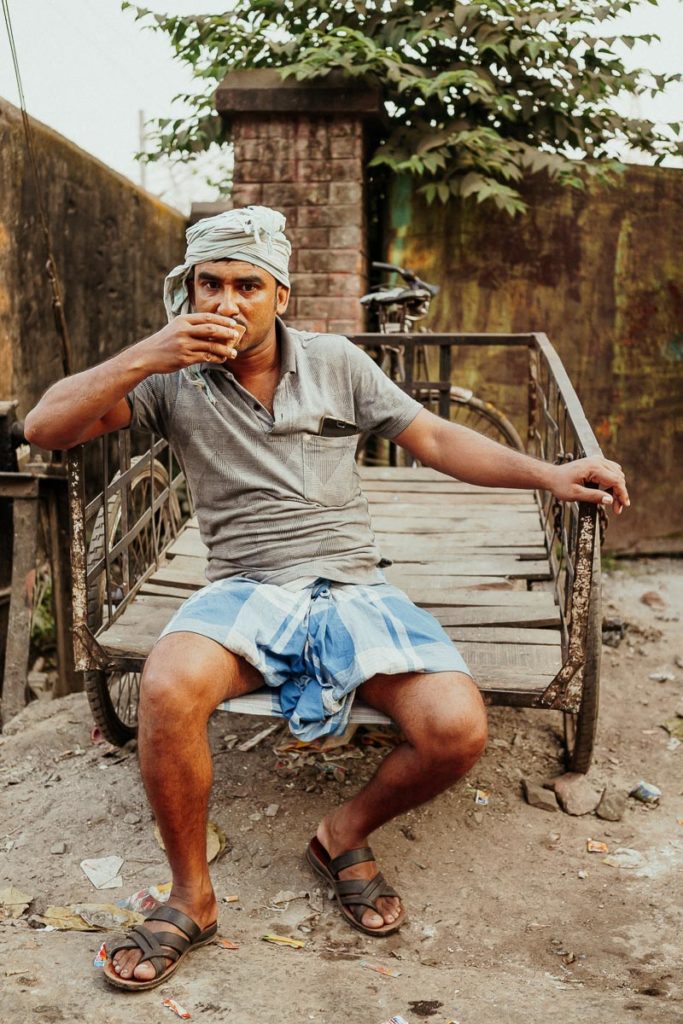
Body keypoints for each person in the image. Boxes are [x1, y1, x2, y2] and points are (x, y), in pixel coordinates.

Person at [25, 206, 629, 992]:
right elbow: (47, 427)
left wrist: (550, 474)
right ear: (187, 290)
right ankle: (191, 896)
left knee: (454, 728)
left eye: (247, 284)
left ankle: (340, 833)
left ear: (280, 294)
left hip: (351, 585)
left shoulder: (336, 361)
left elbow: (436, 439)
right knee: (168, 686)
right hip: (243, 587)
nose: (226, 301)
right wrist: (147, 352)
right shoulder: (170, 379)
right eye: (210, 283)